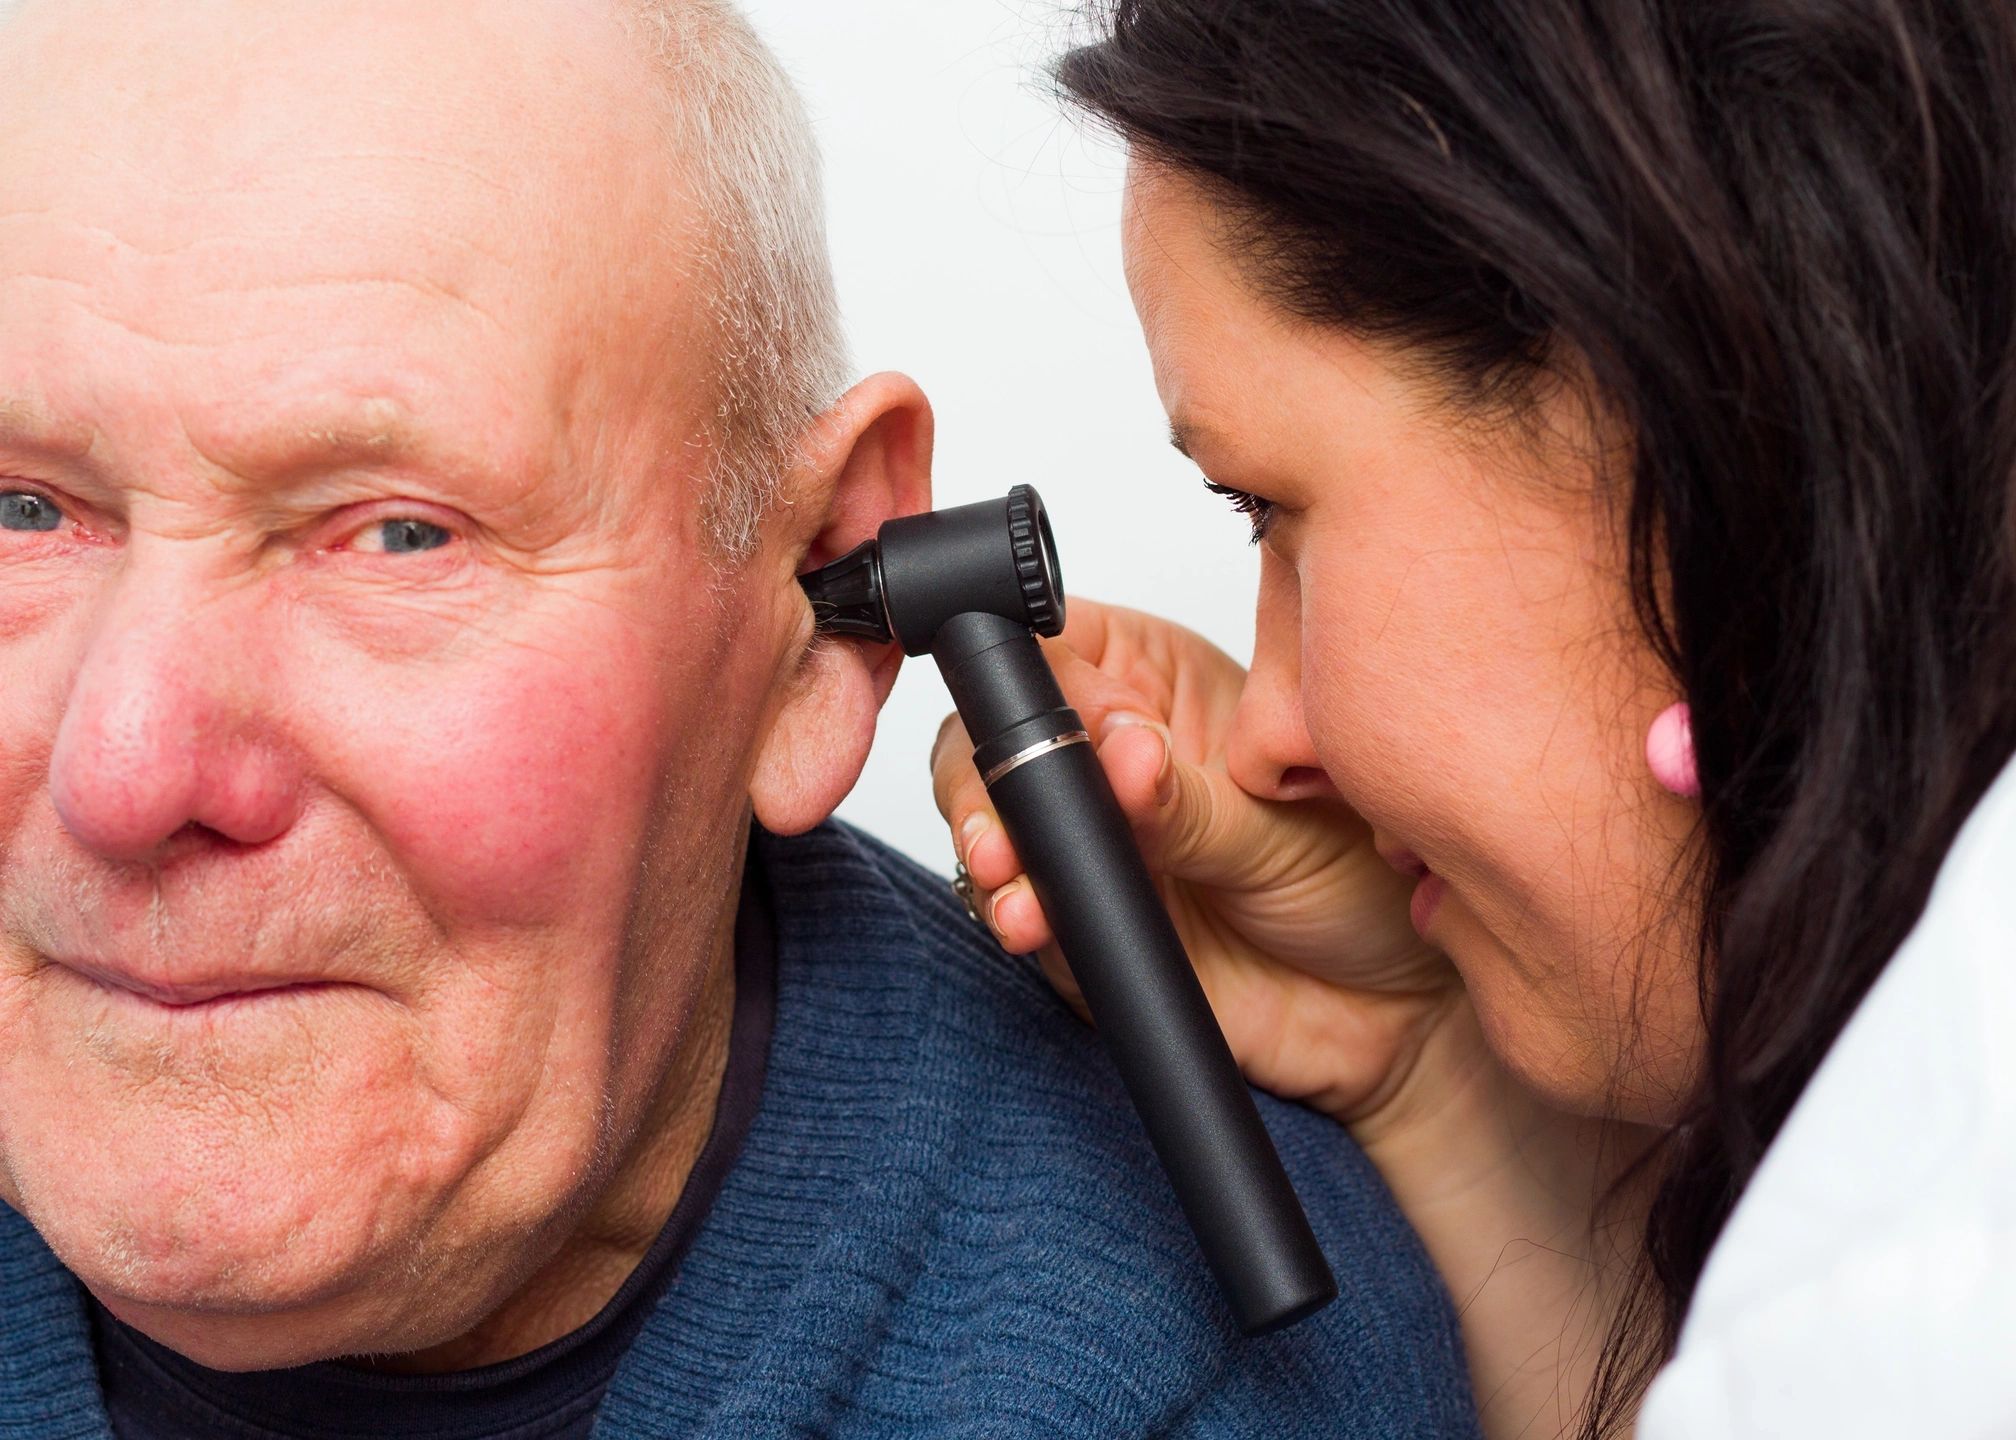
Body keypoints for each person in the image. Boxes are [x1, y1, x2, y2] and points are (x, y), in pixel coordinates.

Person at [0, 2, 1484, 1437]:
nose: (124, 775)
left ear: (809, 616)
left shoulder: (1178, 1384)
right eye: (23, 511)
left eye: (400, 537)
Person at [929, 1, 2016, 1436]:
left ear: (1676, 404)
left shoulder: (1930, 1295)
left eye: (1268, 507)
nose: (1269, 734)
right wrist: (1426, 1070)